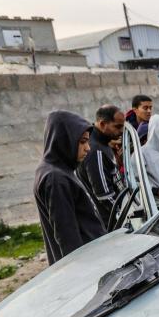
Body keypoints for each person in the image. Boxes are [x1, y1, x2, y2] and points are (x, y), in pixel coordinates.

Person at [34, 110, 105, 265]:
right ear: (63, 140)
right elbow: (67, 237)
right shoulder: (56, 178)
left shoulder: (61, 170)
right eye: (82, 142)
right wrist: (81, 271)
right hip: (85, 265)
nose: (88, 148)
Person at [79, 104, 125, 226]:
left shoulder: (104, 143)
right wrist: (126, 215)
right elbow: (104, 195)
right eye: (118, 127)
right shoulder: (96, 151)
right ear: (103, 124)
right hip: (110, 223)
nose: (121, 131)